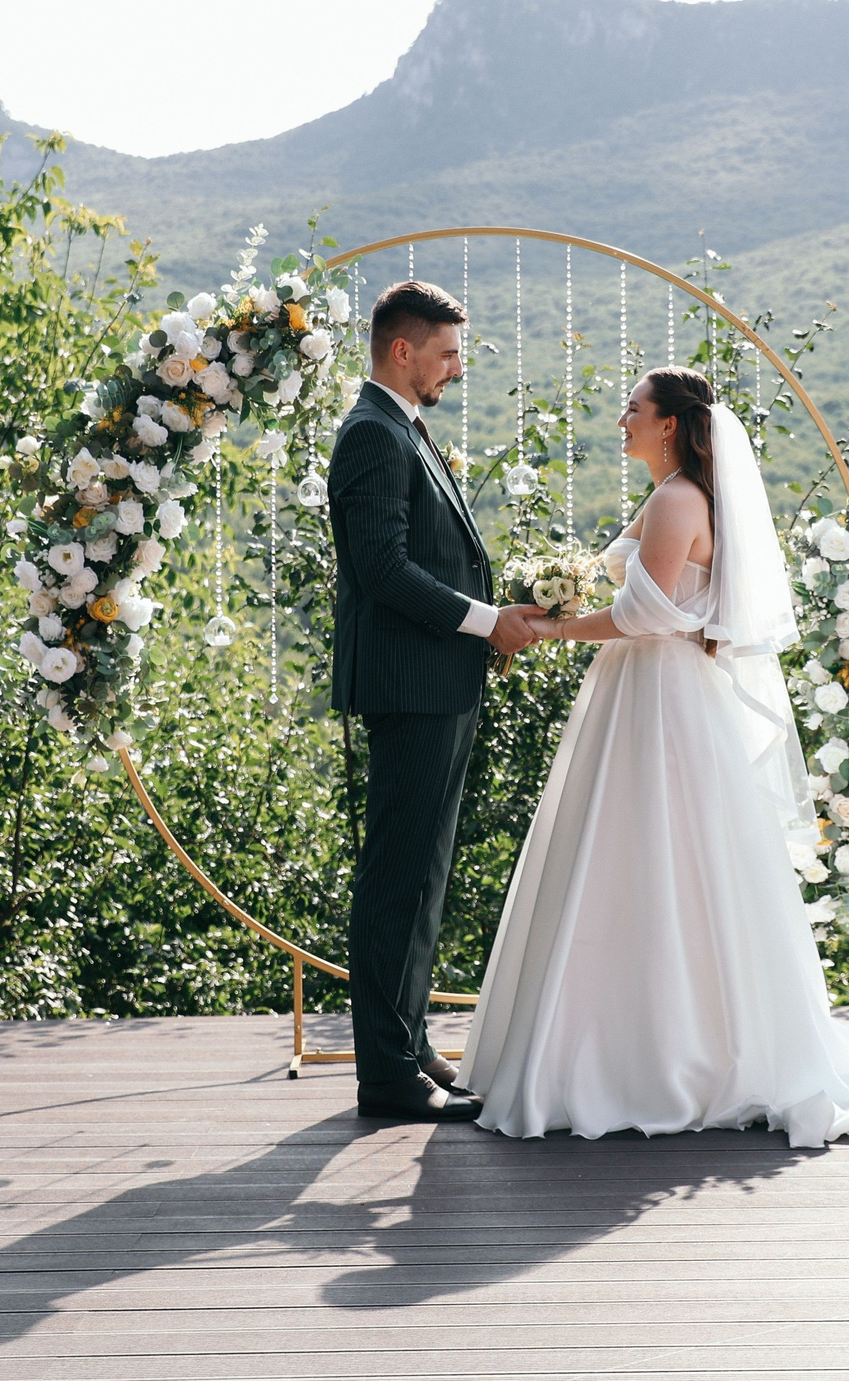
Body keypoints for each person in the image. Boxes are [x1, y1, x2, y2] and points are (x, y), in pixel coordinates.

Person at [461, 366, 849, 1146]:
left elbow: (645, 611)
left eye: (633, 408)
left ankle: (650, 1058)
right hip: (659, 691)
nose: (621, 419)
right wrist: (552, 587)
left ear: (668, 423)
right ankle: (666, 1041)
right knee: (665, 860)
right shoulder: (672, 495)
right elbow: (634, 583)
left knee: (646, 852)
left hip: (657, 696)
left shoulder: (675, 499)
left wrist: (550, 629)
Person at [326, 281, 541, 1123]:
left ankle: (408, 1044)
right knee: (396, 880)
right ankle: (385, 1075)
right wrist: (488, 622)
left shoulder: (402, 428)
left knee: (425, 878)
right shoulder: (372, 434)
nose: (458, 368)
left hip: (437, 683)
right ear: (401, 351)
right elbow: (380, 568)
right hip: (411, 687)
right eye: (449, 353)